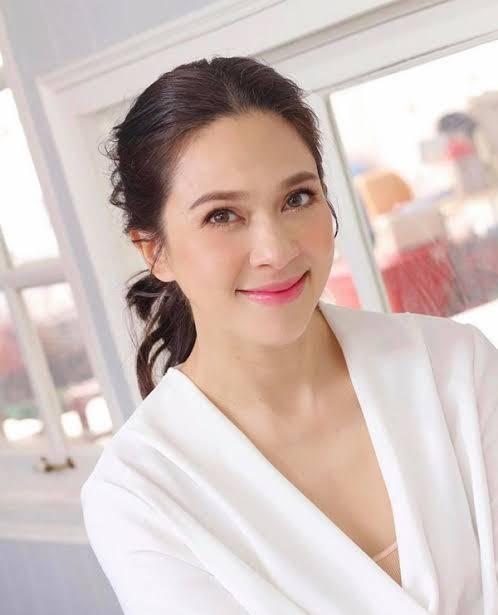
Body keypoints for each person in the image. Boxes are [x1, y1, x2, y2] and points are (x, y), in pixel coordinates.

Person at [80, 56, 498, 614]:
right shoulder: (138, 495)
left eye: (296, 198)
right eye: (222, 215)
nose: (275, 251)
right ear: (154, 250)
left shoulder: (456, 367)